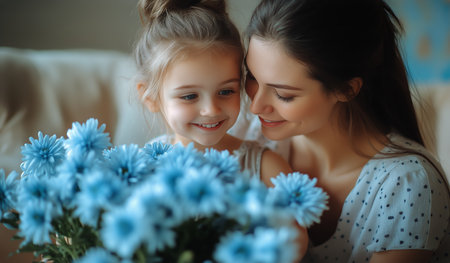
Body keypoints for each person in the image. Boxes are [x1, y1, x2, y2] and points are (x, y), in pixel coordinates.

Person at [243, 0, 450, 262]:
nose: (255, 106)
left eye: (283, 94)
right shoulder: (247, 136)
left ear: (346, 89)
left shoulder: (407, 186)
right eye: (251, 77)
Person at [133, 1, 308, 260]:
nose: (211, 109)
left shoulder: (265, 168)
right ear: (150, 97)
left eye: (226, 91)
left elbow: (294, 243)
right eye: (190, 96)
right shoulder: (141, 169)